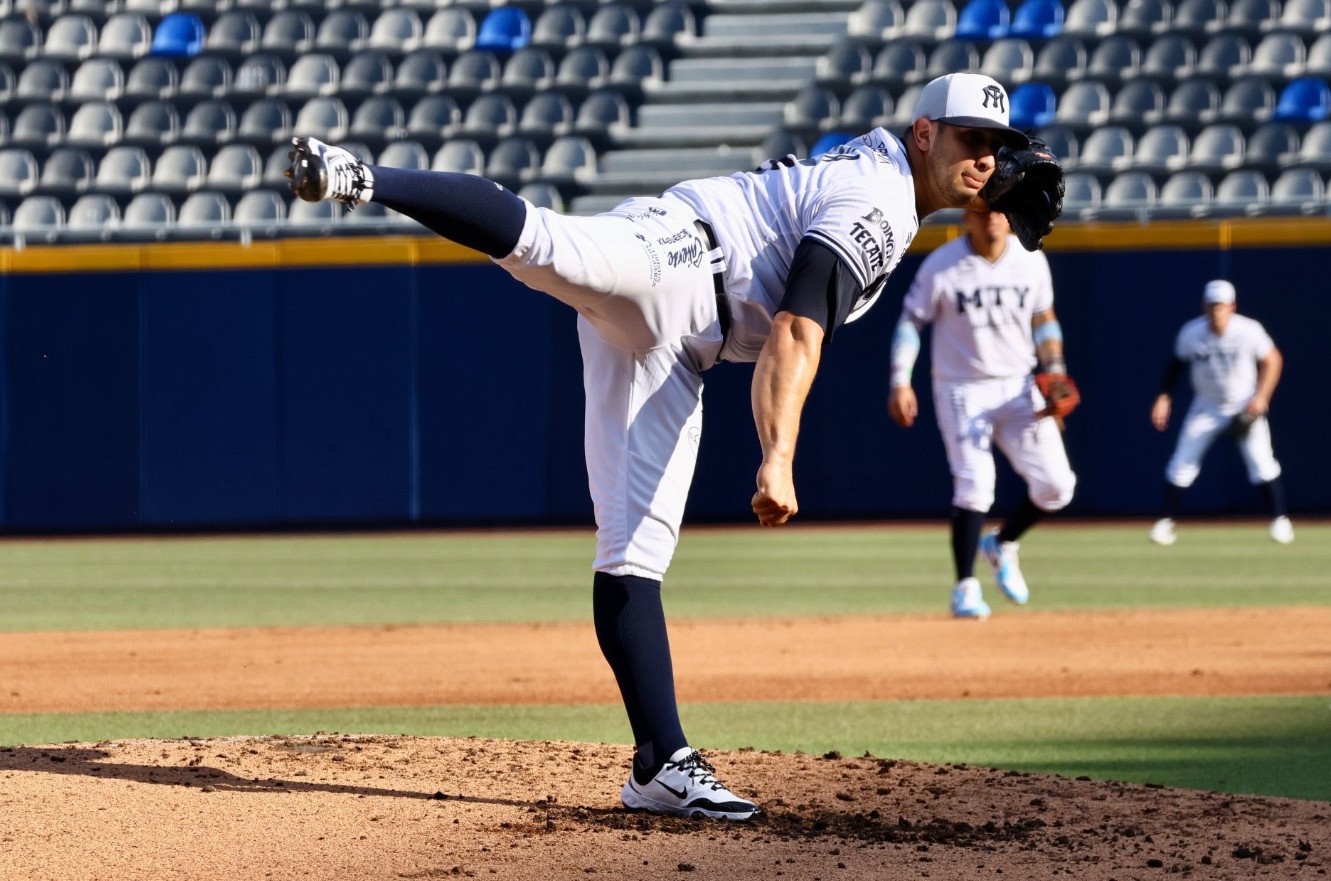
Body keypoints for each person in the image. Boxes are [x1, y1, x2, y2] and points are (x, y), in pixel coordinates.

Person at [286, 72, 1041, 820]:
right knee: (547, 240)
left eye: (995, 146)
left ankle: (659, 765)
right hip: (674, 260)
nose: (984, 157)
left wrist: (985, 185)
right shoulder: (879, 201)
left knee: (633, 550)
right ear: (923, 134)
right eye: (969, 139)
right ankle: (361, 175)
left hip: (687, 344)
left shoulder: (894, 180)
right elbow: (794, 328)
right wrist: (777, 456)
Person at [887, 205, 1076, 620]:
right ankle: (965, 589)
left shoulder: (1030, 259)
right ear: (967, 217)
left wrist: (1056, 374)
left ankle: (1002, 542)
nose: (991, 217)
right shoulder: (943, 264)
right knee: (974, 485)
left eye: (999, 210)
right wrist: (901, 380)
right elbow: (911, 321)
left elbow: (1044, 318)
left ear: (1010, 216)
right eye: (981, 210)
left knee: (1057, 486)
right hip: (961, 386)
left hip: (1019, 384)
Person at [1149, 280, 1292, 545]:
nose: (1217, 311)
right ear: (1204, 306)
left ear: (1232, 307)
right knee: (1181, 463)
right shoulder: (1192, 333)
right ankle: (1164, 524)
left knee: (1262, 464)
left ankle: (1280, 521)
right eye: (1212, 305)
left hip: (1243, 405)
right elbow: (1176, 365)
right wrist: (1163, 396)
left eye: (1222, 306)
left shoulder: (1248, 330)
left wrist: (1261, 397)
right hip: (1206, 407)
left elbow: (1273, 359)